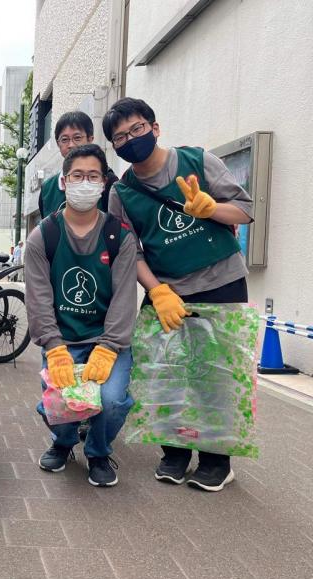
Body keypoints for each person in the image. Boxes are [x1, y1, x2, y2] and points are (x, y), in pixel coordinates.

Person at [103, 97, 253, 492]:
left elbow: (245, 210)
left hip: (221, 280)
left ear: (155, 127)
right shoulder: (122, 191)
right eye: (120, 137)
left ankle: (218, 460)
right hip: (167, 289)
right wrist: (157, 290)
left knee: (216, 374)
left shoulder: (196, 161)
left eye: (136, 129)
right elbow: (129, 251)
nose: (130, 139)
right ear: (115, 147)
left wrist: (211, 209)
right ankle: (174, 452)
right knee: (165, 373)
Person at [25, 144, 137, 487]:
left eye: (92, 176)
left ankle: (98, 450)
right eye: (77, 176)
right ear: (63, 181)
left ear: (104, 183)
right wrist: (54, 347)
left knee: (112, 399)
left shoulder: (119, 235)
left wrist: (109, 346)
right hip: (63, 339)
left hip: (108, 340)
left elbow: (124, 297)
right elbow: (39, 299)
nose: (84, 183)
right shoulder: (44, 235)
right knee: (58, 401)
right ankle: (63, 442)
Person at [38, 111, 119, 218]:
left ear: (90, 139)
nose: (71, 145)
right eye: (65, 139)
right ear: (58, 144)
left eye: (77, 138)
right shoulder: (47, 189)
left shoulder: (109, 181)